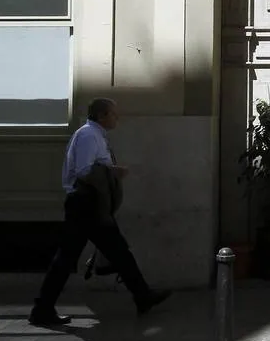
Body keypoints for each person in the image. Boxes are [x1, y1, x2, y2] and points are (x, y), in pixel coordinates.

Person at [29, 98, 170, 327]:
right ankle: (42, 308)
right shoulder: (88, 135)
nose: (117, 118)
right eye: (114, 114)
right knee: (74, 257)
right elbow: (84, 171)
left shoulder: (95, 135)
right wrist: (114, 172)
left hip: (91, 204)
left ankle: (142, 295)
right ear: (102, 115)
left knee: (113, 252)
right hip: (86, 204)